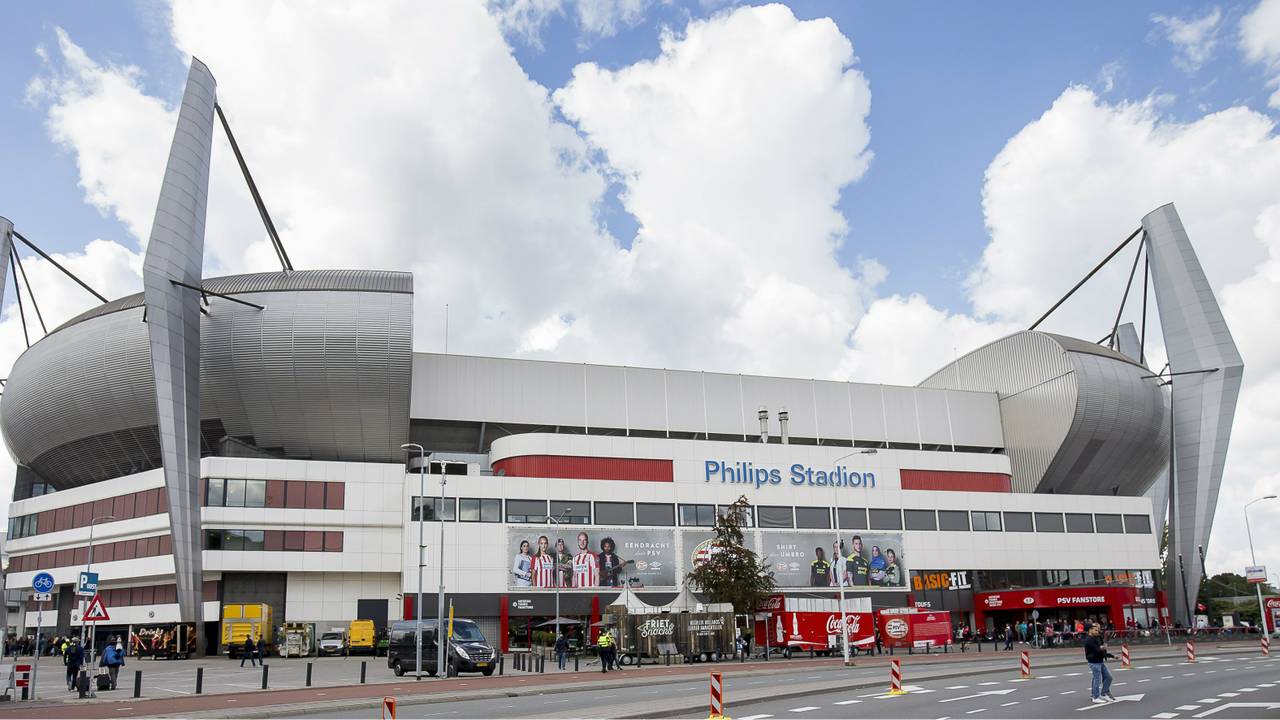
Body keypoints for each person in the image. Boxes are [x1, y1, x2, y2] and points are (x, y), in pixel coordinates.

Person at [1084, 623, 1116, 703]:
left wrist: (1111, 656)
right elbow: (1097, 650)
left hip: (1100, 661)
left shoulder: (1097, 637)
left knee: (1108, 677)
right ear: (1090, 630)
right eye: (1095, 630)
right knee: (1097, 680)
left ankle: (1103, 693)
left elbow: (1101, 650)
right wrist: (1101, 648)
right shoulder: (1089, 639)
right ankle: (1095, 697)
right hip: (1094, 662)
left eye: (1098, 629)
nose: (1097, 631)